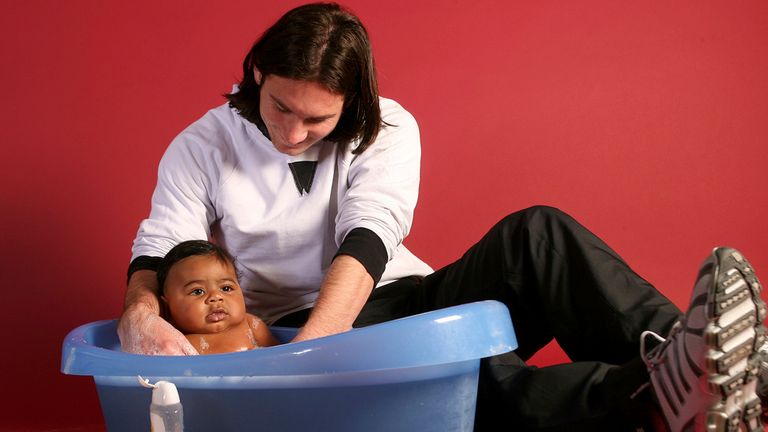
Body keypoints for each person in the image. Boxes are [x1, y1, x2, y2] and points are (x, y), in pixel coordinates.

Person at [117, 2, 767, 430]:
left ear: (353, 103)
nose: (292, 132)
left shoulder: (389, 125)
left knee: (536, 233)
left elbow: (369, 235)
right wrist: (142, 317)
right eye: (281, 106)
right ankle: (656, 398)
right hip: (291, 327)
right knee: (466, 374)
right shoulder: (203, 145)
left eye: (316, 119)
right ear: (258, 73)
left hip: (388, 295)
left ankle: (707, 360)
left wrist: (322, 344)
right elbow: (160, 247)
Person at [156, 240, 279, 354]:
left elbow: (278, 359)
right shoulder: (172, 341)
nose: (216, 297)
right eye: (198, 291)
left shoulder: (252, 326)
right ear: (167, 308)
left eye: (226, 288)